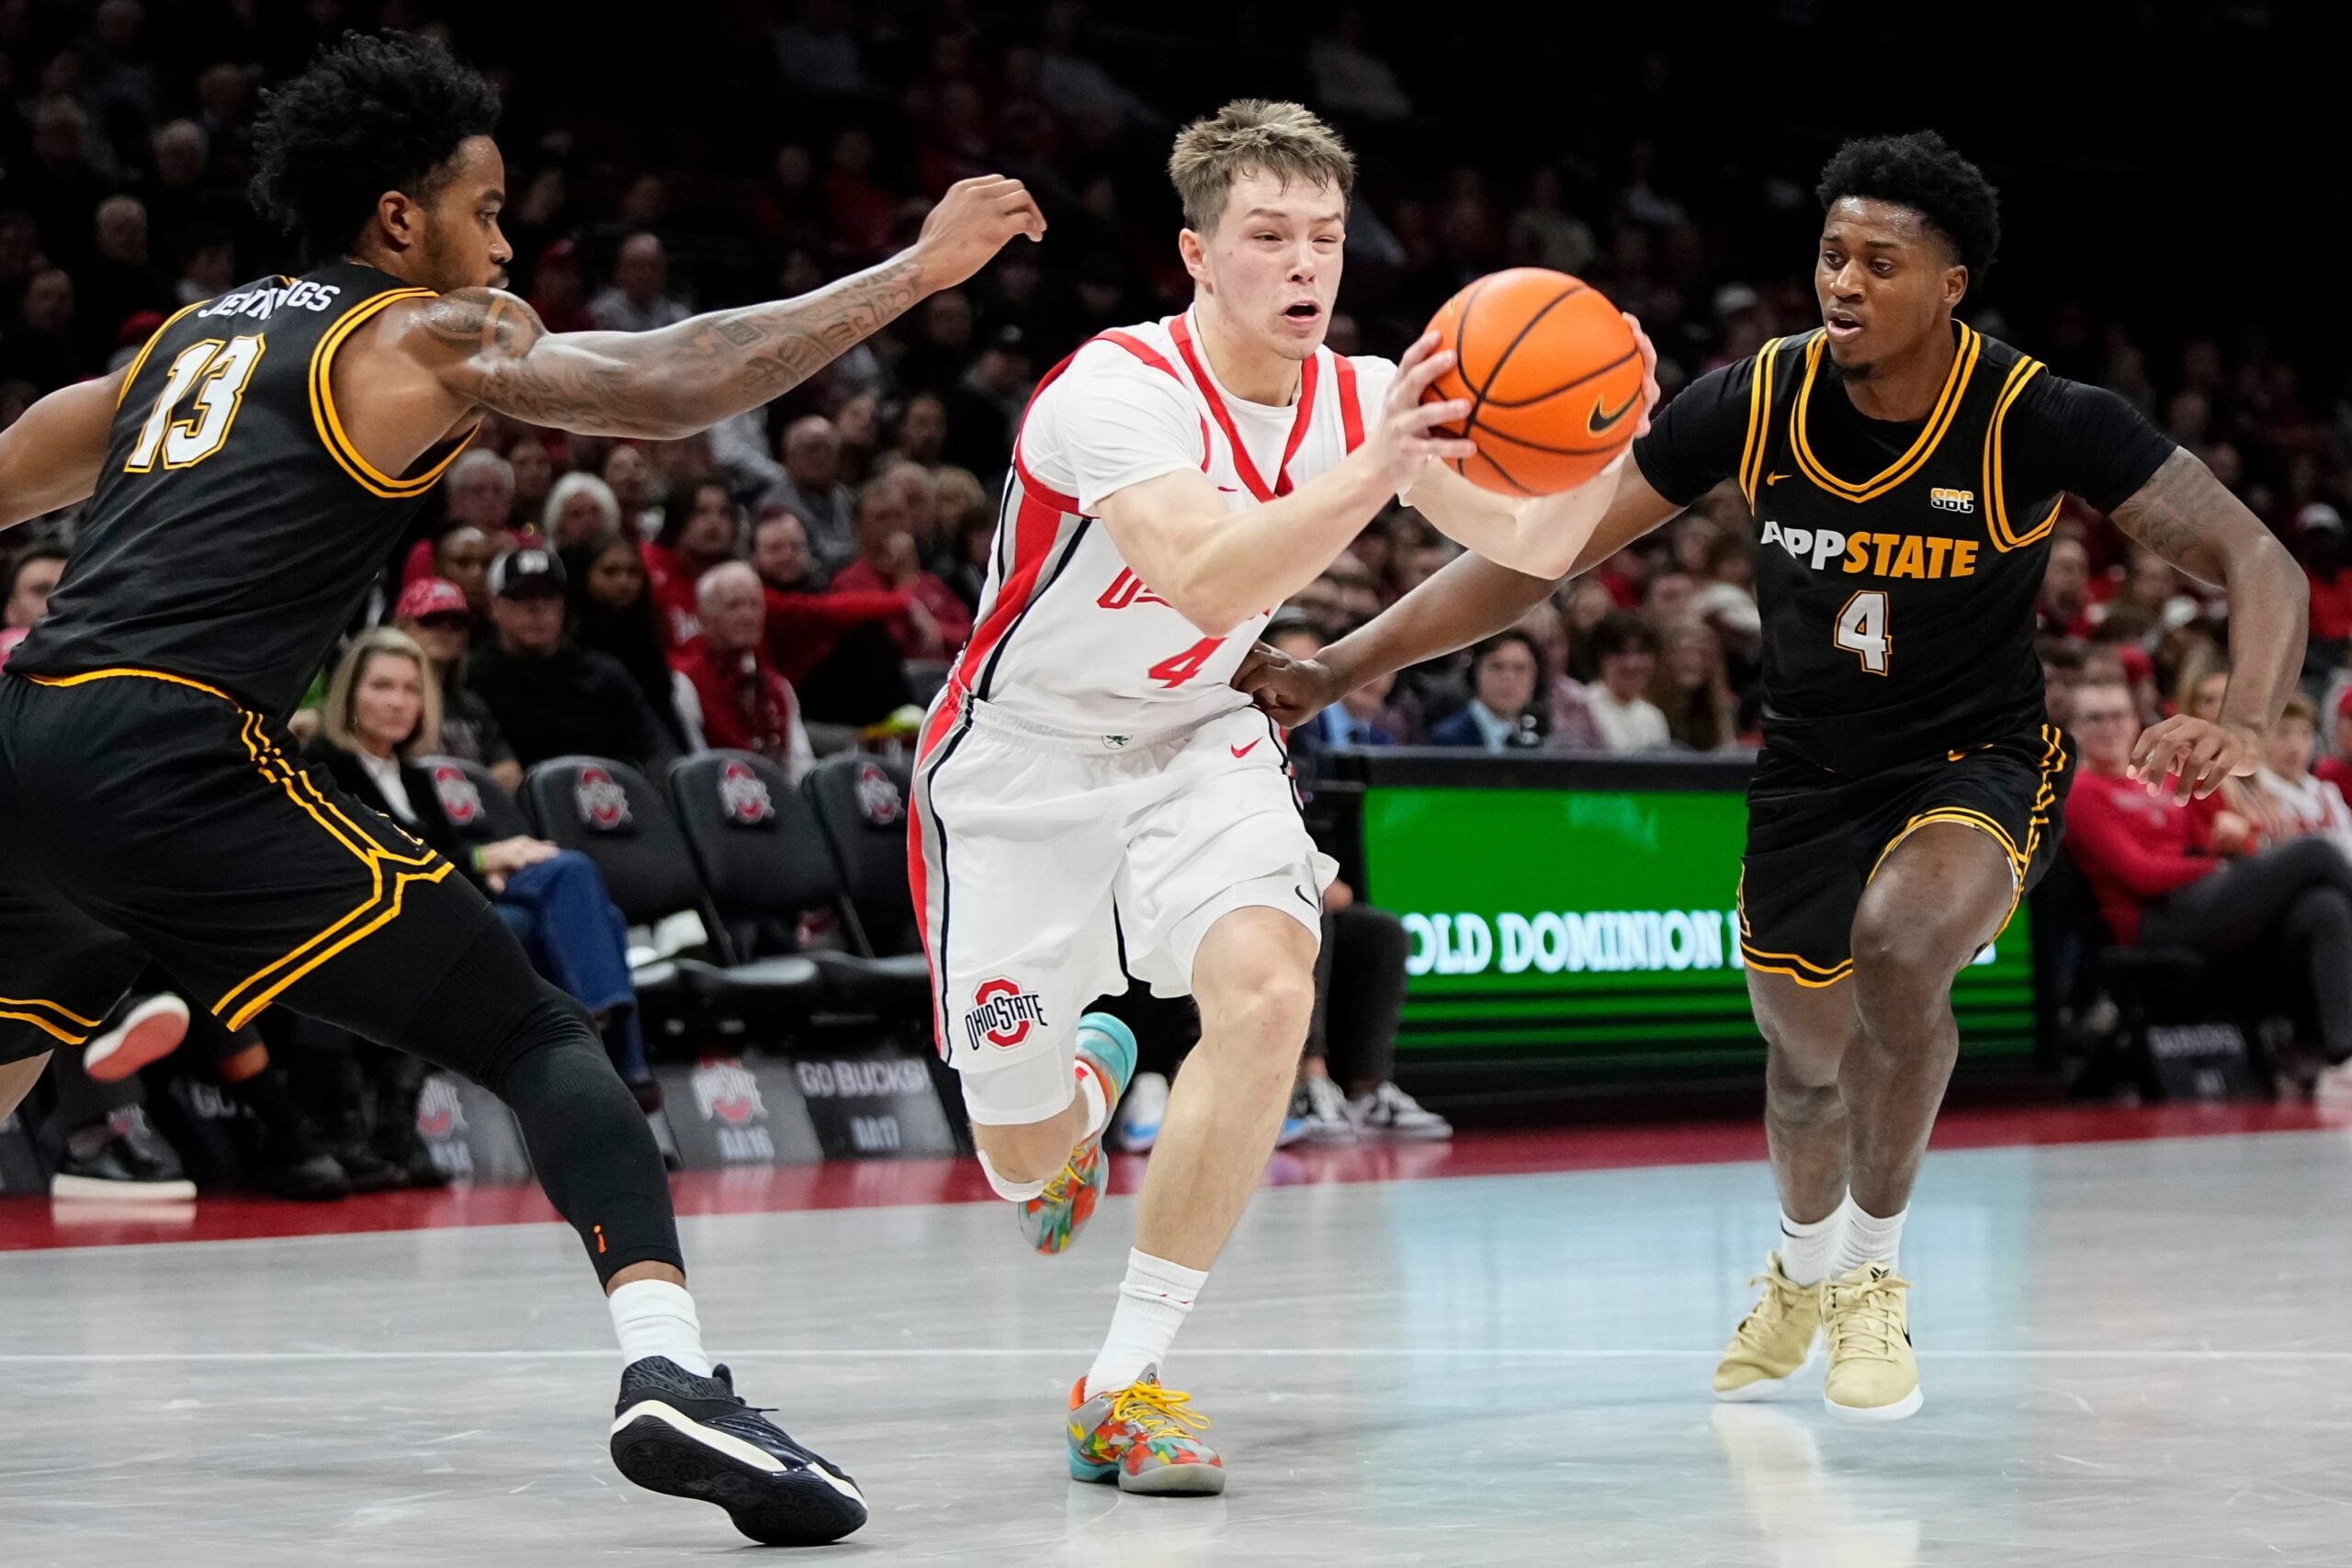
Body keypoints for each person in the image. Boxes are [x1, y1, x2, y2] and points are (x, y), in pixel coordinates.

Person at [0, 33, 1038, 1544]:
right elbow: (674, 381)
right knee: (531, 1025)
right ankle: (672, 1371)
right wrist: (913, 273)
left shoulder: (183, 347)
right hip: (167, 748)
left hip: (27, 735)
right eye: (485, 206)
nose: (506, 238)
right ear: (400, 219)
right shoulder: (418, 335)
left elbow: (14, 463)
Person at [1236, 130, 2302, 1422]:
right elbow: (1546, 554)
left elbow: (2261, 561)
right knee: (1804, 1066)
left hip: (1977, 754)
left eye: (1880, 260)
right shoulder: (1757, 398)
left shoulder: (2039, 416)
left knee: (1903, 947)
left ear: (1951, 284)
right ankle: (1798, 1270)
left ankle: (1871, 1277)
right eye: (1831, 253)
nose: (1843, 281)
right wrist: (1338, 659)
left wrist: (2245, 714)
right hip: (1809, 770)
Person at [907, 98, 1636, 1495]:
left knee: (1267, 987)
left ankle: (1124, 1383)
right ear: (1196, 251)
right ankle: (1079, 1078)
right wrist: (1384, 466)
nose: (1306, 264)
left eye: (1328, 237)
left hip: (1200, 731)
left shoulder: (1364, 397)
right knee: (1027, 1176)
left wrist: (1603, 432)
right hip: (1019, 764)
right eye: (1270, 237)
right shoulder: (1112, 391)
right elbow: (1211, 577)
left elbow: (1536, 538)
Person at [307, 628, 656, 1095]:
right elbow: (380, 860)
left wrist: (481, 866)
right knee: (579, 899)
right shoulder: (326, 767)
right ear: (349, 693)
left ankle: (604, 1053)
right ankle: (617, 1055)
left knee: (579, 889)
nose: (398, 702)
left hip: (450, 901)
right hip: (389, 920)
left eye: (411, 689)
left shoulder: (409, 772)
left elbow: (442, 854)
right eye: (382, 686)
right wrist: (481, 857)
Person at [2066, 679, 2352, 1088]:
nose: (2109, 727)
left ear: (2136, 722)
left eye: (2118, 715)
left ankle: (2337, 1055)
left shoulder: (2161, 779)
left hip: (2206, 902)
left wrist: (2230, 846)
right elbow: (2141, 876)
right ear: (2074, 728)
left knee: (2323, 907)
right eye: (2095, 718)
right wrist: (2213, 865)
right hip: (2155, 920)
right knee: (2317, 853)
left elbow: (2221, 845)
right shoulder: (2081, 791)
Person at [469, 547, 682, 772]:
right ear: (493, 607)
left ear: (564, 605)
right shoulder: (476, 678)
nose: (538, 608)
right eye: (521, 596)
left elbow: (657, 748)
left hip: (611, 796)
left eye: (549, 595)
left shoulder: (603, 674)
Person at [675, 562, 815, 777]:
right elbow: (695, 771)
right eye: (734, 606)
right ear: (705, 617)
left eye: (755, 605)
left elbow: (801, 769)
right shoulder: (685, 683)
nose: (748, 615)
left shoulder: (779, 687)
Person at [560, 528, 695, 752]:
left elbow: (664, 717)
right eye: (610, 572)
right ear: (584, 576)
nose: (624, 582)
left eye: (633, 573)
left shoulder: (646, 640)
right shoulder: (567, 646)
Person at [393, 575, 520, 791]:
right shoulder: (390, 701)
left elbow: (510, 772)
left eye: (457, 623)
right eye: (431, 620)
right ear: (402, 627)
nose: (445, 630)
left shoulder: (470, 704)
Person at [831, 475, 971, 657]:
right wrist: (906, 583)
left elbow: (972, 636)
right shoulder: (848, 584)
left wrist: (937, 630)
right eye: (882, 518)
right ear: (858, 527)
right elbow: (897, 644)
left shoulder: (931, 582)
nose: (893, 526)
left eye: (899, 516)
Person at [642, 477, 740, 649]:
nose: (714, 523)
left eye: (724, 513)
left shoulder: (739, 580)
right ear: (679, 518)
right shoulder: (647, 565)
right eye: (701, 512)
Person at [1425, 629, 1544, 750]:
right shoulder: (1447, 740)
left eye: (1520, 668)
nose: (1509, 677)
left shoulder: (1538, 736)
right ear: (1475, 672)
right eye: (1497, 666)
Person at [1585, 610, 1671, 751]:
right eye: (1619, 652)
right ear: (1600, 657)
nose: (1631, 664)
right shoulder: (1585, 707)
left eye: (1641, 652)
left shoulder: (1654, 717)